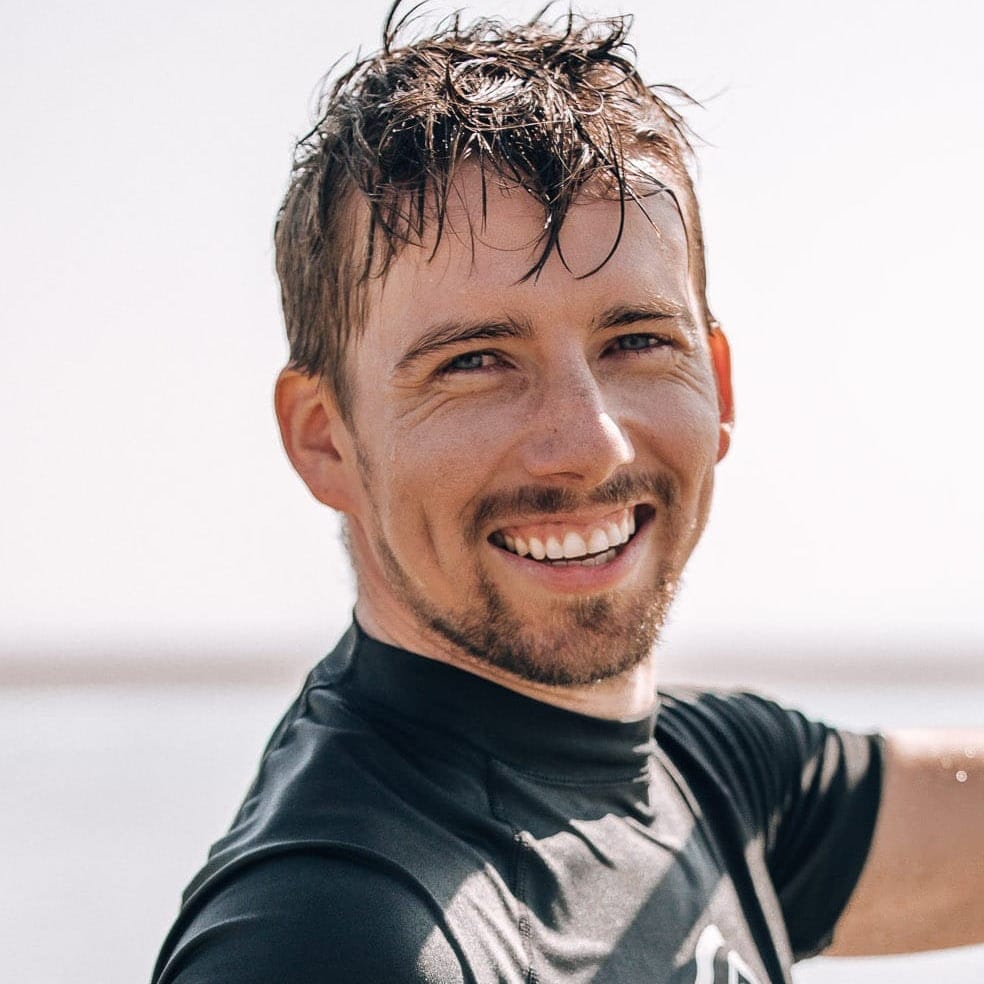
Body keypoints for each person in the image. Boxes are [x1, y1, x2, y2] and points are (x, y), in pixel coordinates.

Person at [152, 4, 983, 982]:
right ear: (324, 439)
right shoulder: (333, 932)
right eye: (475, 361)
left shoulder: (707, 786)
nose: (588, 446)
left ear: (716, 384)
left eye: (636, 341)